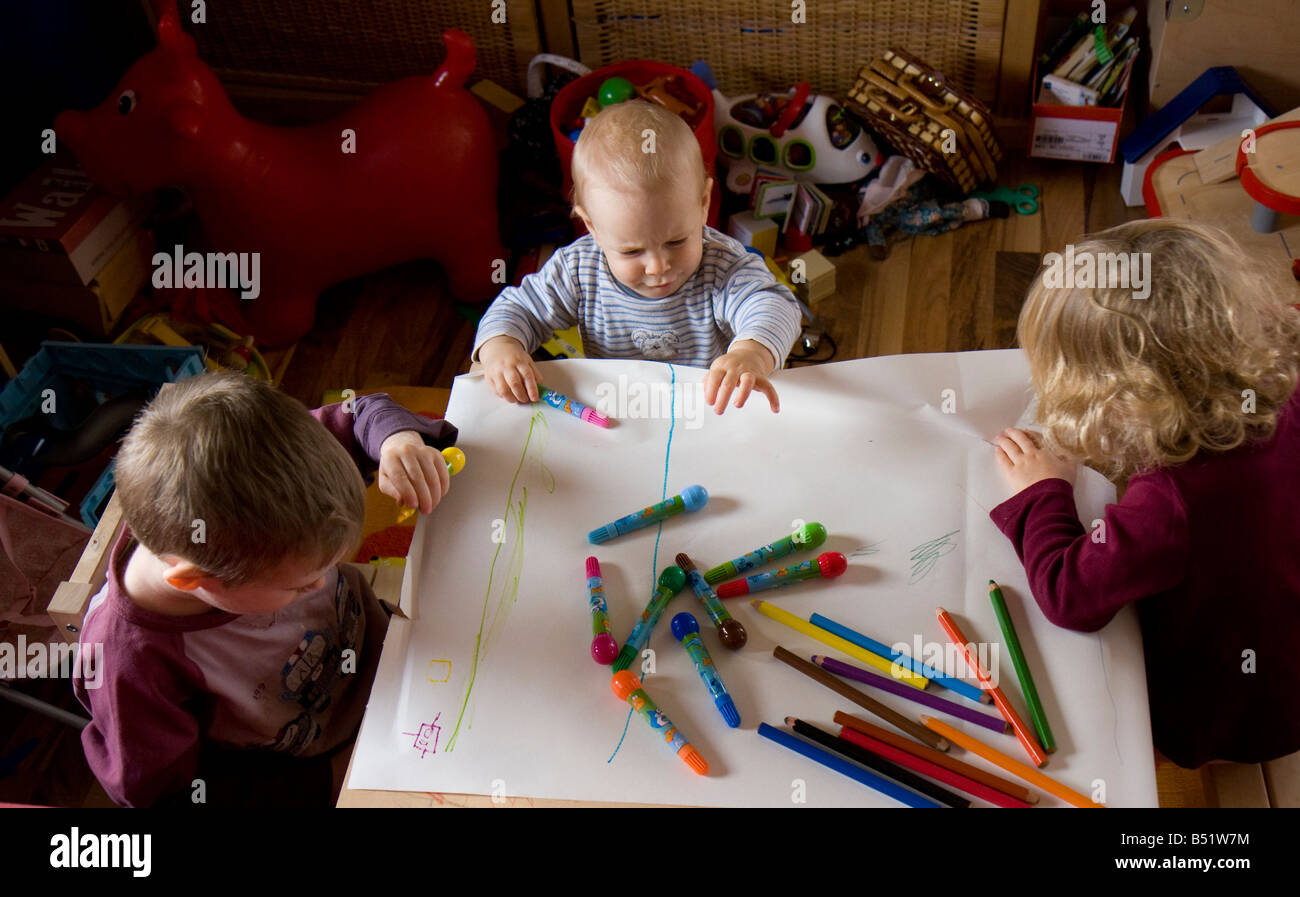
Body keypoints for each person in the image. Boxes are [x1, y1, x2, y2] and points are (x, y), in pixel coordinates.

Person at [991, 219, 1300, 768]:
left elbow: (1071, 595)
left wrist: (1043, 491)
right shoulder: (1285, 375)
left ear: (1127, 398)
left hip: (1244, 708)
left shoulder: (1172, 504)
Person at [71, 371, 457, 806]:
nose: (320, 584)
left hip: (396, 659)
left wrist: (396, 444)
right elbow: (166, 795)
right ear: (191, 581)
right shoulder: (129, 663)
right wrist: (322, 780)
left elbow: (363, 411)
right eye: (299, 586)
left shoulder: (268, 468)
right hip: (323, 764)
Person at [475, 100, 802, 415]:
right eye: (631, 251)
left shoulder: (723, 267)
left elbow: (775, 305)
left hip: (710, 410)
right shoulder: (578, 270)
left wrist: (751, 353)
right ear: (593, 227)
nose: (658, 266)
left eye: (676, 241)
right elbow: (519, 308)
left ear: (703, 202)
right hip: (619, 410)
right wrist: (500, 347)